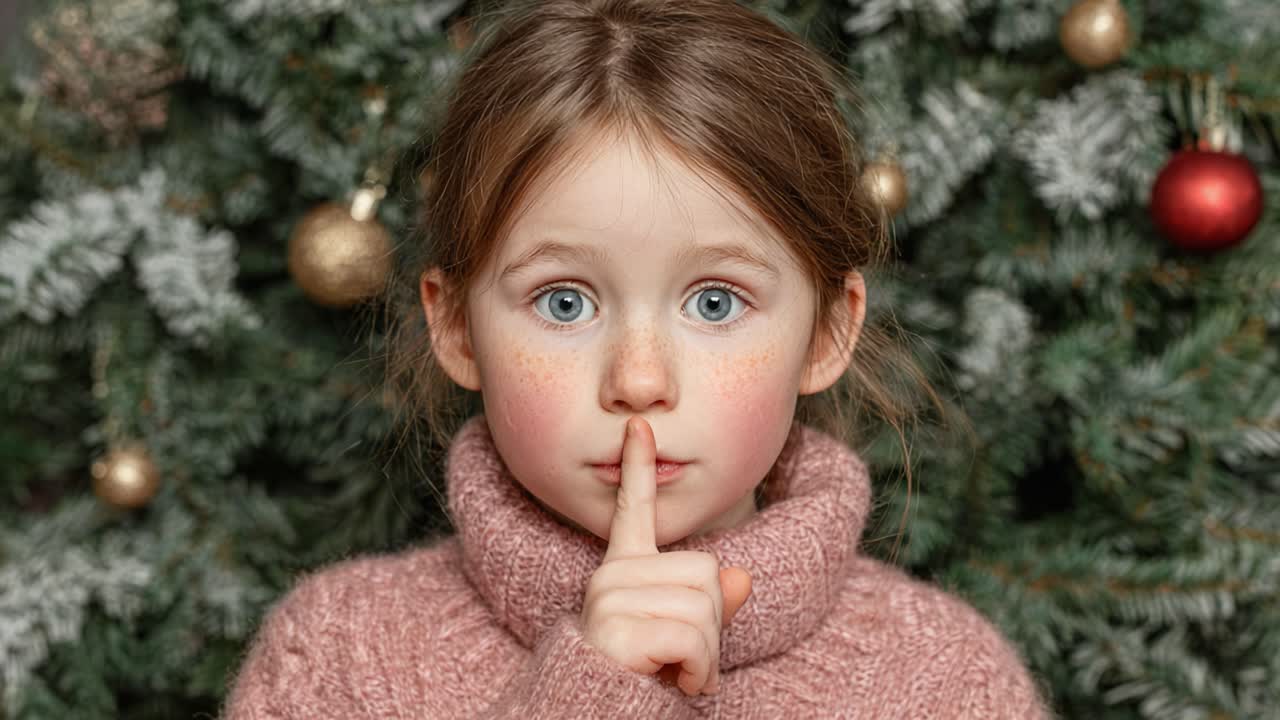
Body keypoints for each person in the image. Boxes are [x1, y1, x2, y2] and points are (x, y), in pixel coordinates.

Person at [221, 0, 1054, 717]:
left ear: (829, 331)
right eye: (564, 302)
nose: (640, 381)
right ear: (459, 330)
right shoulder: (332, 658)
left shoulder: (951, 683)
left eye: (716, 303)